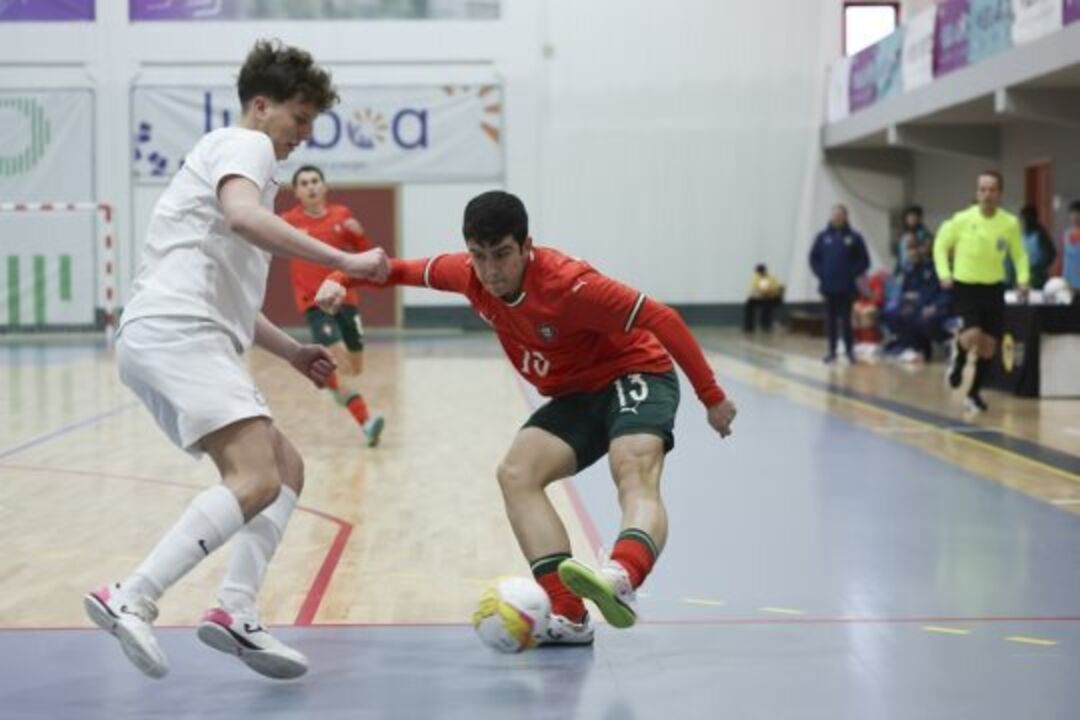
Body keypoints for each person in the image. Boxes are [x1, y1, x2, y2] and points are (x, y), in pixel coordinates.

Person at [82, 40, 389, 680]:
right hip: (178, 331)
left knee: (285, 466)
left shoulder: (235, 162)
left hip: (175, 332)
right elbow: (243, 220)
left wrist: (293, 349)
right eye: (299, 118)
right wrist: (342, 260)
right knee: (254, 479)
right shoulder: (244, 147)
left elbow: (233, 298)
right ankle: (131, 595)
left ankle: (236, 611)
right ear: (261, 106)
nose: (304, 134)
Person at [317, 191, 737, 645]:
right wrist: (341, 278)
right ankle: (570, 614)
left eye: (501, 255)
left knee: (631, 467)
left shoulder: (568, 284)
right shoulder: (467, 274)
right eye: (479, 256)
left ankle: (621, 575)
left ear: (525, 246)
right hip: (577, 393)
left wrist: (711, 397)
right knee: (516, 473)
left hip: (634, 371)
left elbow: (661, 317)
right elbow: (393, 269)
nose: (490, 270)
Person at [281, 165, 384, 446]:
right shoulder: (288, 221)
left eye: (315, 181)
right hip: (315, 304)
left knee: (355, 367)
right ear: (297, 191)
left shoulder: (342, 216)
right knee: (334, 362)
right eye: (304, 183)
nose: (311, 186)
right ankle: (366, 420)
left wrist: (360, 235)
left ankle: (338, 390)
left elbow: (366, 254)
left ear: (324, 187)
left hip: (345, 300)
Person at [934, 171, 1028, 414]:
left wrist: (1023, 280)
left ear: (1000, 194)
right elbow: (940, 245)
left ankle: (973, 393)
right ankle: (959, 358)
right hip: (966, 285)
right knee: (973, 333)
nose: (987, 194)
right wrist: (944, 273)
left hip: (993, 287)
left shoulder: (1009, 223)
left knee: (988, 346)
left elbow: (1019, 254)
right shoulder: (962, 219)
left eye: (992, 190)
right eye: (983, 189)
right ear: (977, 193)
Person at [809, 204, 870, 364]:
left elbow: (864, 260)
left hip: (847, 287)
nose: (837, 218)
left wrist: (852, 273)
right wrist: (821, 273)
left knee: (846, 320)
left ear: (846, 217)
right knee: (830, 321)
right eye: (834, 215)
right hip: (828, 287)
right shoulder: (822, 237)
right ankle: (832, 351)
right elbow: (813, 258)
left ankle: (850, 351)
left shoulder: (855, 237)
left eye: (840, 215)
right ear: (831, 217)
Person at [1007, 205, 1056, 289]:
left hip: (1036, 278)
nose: (1022, 222)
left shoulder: (1040, 235)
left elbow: (1048, 256)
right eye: (1021, 219)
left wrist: (1032, 267)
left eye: (1024, 219)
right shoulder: (1021, 235)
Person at [891, 205, 933, 274]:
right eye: (908, 217)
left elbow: (927, 251)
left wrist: (916, 252)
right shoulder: (904, 235)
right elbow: (900, 257)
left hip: (919, 271)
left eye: (913, 217)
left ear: (919, 218)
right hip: (904, 272)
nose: (910, 219)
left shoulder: (924, 234)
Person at [742, 263, 783, 332]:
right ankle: (749, 326)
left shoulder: (771, 278)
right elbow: (755, 288)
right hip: (761, 297)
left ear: (764, 271)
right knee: (749, 303)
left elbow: (777, 289)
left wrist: (768, 291)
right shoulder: (757, 278)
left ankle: (765, 325)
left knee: (766, 305)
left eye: (760, 272)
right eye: (758, 272)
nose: (759, 273)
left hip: (771, 298)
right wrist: (755, 294)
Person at [1064, 200, 1080, 291]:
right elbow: (1066, 258)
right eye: (1072, 214)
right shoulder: (1067, 233)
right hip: (1069, 278)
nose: (1075, 217)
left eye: (1078, 214)